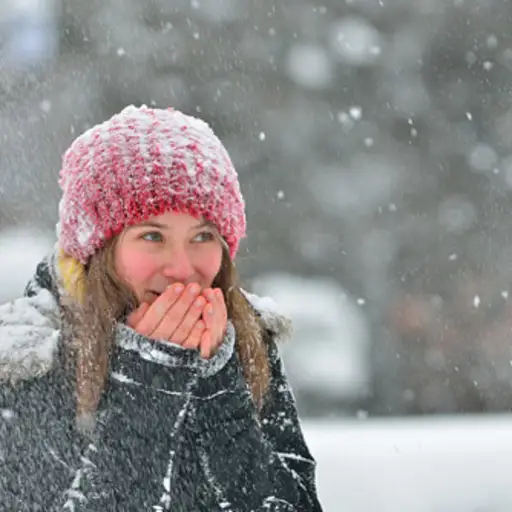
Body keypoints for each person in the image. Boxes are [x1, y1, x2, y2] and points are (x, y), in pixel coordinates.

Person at [0, 105, 323, 511]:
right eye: (153, 236)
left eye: (203, 235)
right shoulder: (25, 361)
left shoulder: (245, 340)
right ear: (97, 251)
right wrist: (149, 379)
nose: (183, 268)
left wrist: (219, 386)